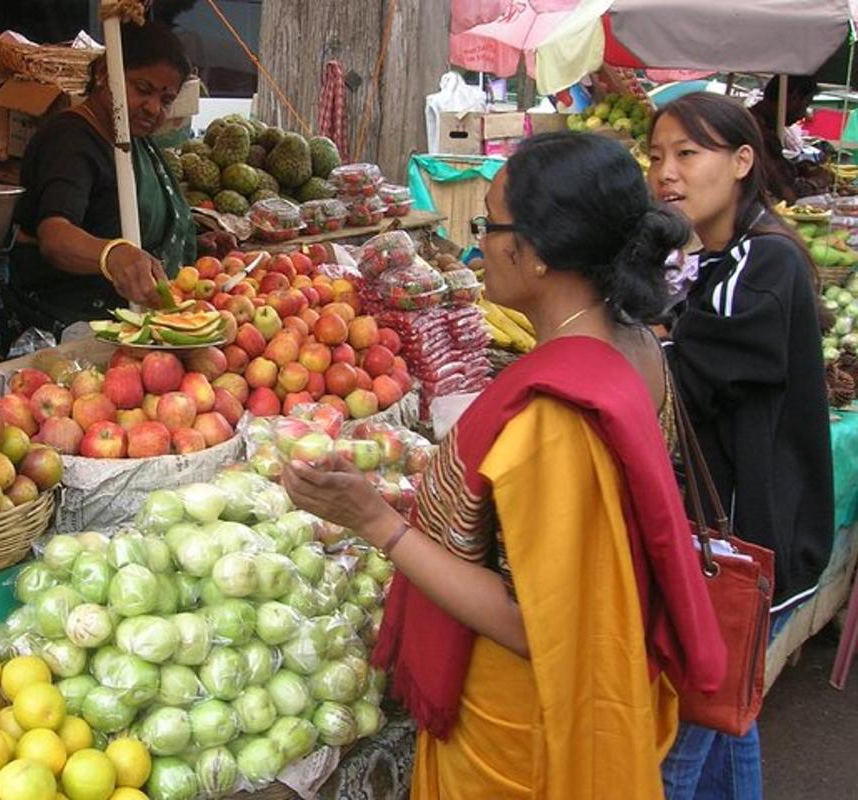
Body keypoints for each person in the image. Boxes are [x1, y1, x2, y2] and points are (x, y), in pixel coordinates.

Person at [283, 132, 726, 799]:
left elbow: (530, 622)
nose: (479, 240)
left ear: (540, 253)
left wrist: (375, 521)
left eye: (491, 224)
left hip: (521, 733)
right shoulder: (635, 344)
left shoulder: (555, 417)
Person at [648, 91, 834, 799]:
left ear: (742, 161)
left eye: (688, 154)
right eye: (658, 156)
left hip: (743, 547)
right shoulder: (719, 258)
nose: (667, 172)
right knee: (727, 720)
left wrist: (652, 338)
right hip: (742, 543)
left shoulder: (763, 262)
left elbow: (687, 370)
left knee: (678, 753)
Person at [8, 21, 234, 336]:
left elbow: (121, 222)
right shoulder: (69, 140)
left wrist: (192, 246)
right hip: (74, 327)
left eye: (166, 100)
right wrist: (112, 255)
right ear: (104, 73)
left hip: (138, 320)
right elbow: (55, 237)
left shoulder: (131, 138)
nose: (154, 108)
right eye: (143, 89)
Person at [749, 74, 830, 202]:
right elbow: (786, 194)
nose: (804, 114)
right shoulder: (755, 129)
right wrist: (816, 182)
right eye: (805, 104)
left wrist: (795, 168)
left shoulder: (764, 126)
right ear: (794, 98)